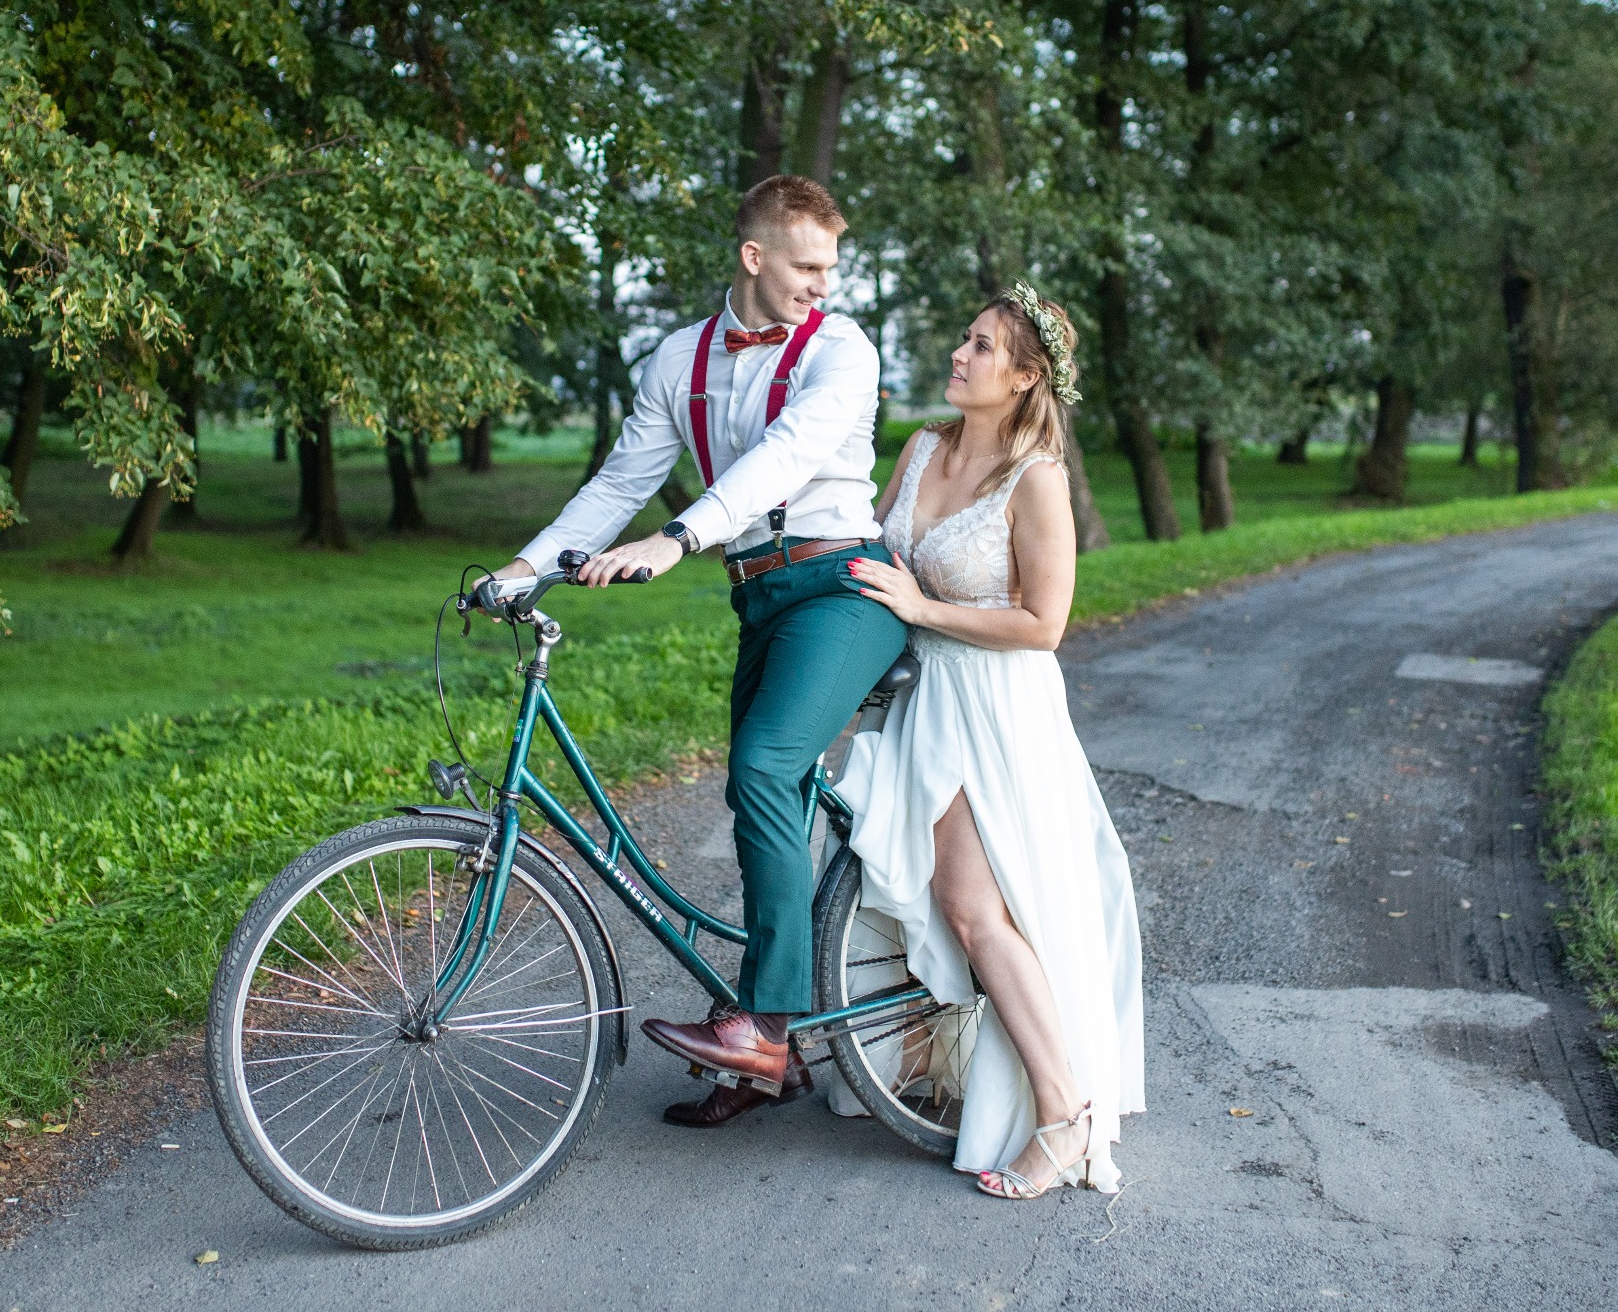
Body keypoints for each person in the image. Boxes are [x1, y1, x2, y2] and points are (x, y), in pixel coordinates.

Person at [479, 175, 907, 1128]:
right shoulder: (681, 359)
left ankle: (766, 1022)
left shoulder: (841, 348)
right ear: (754, 257)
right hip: (762, 596)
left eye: (831, 267)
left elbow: (785, 459)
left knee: (763, 766)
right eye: (806, 266)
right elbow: (617, 479)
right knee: (762, 795)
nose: (822, 285)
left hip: (846, 586)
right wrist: (524, 567)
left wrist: (677, 538)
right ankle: (774, 1061)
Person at [838, 283, 1145, 1198]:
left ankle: (1062, 1112)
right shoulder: (924, 446)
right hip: (916, 693)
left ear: (1024, 376)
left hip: (994, 705)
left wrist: (923, 607)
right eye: (964, 338)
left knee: (977, 907)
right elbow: (871, 544)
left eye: (982, 346)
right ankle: (932, 1058)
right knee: (904, 882)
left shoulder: (1037, 476)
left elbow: (1044, 622)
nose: (961, 354)